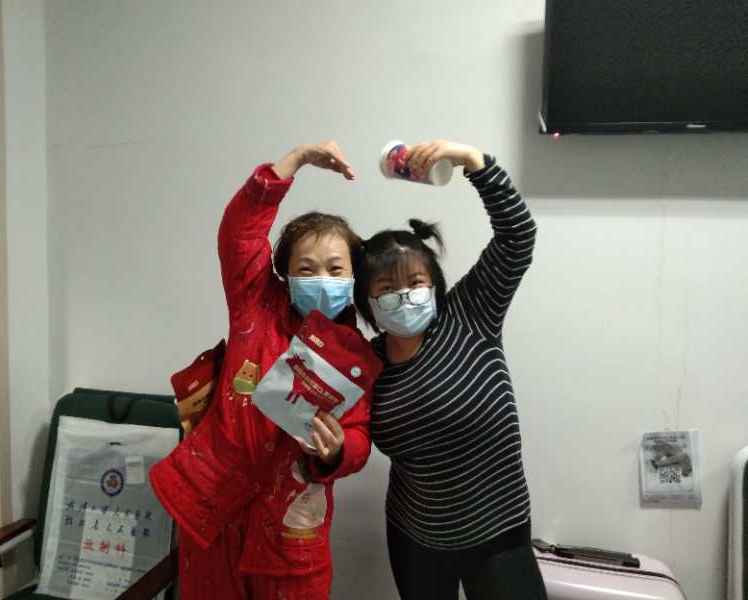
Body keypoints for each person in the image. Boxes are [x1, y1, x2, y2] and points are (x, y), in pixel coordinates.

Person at [150, 141, 379, 599]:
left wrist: (338, 450)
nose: (321, 280)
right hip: (214, 515)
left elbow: (359, 435)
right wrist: (293, 162)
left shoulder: (356, 358)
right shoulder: (256, 307)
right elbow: (239, 236)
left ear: (354, 278)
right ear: (285, 275)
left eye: (336, 269)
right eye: (306, 269)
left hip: (290, 537)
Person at [354, 140, 547, 600]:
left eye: (415, 281)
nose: (403, 294)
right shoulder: (365, 364)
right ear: (368, 301)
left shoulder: (469, 315)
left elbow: (518, 236)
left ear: (435, 284)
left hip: (498, 530)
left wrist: (473, 162)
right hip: (414, 536)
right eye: (386, 287)